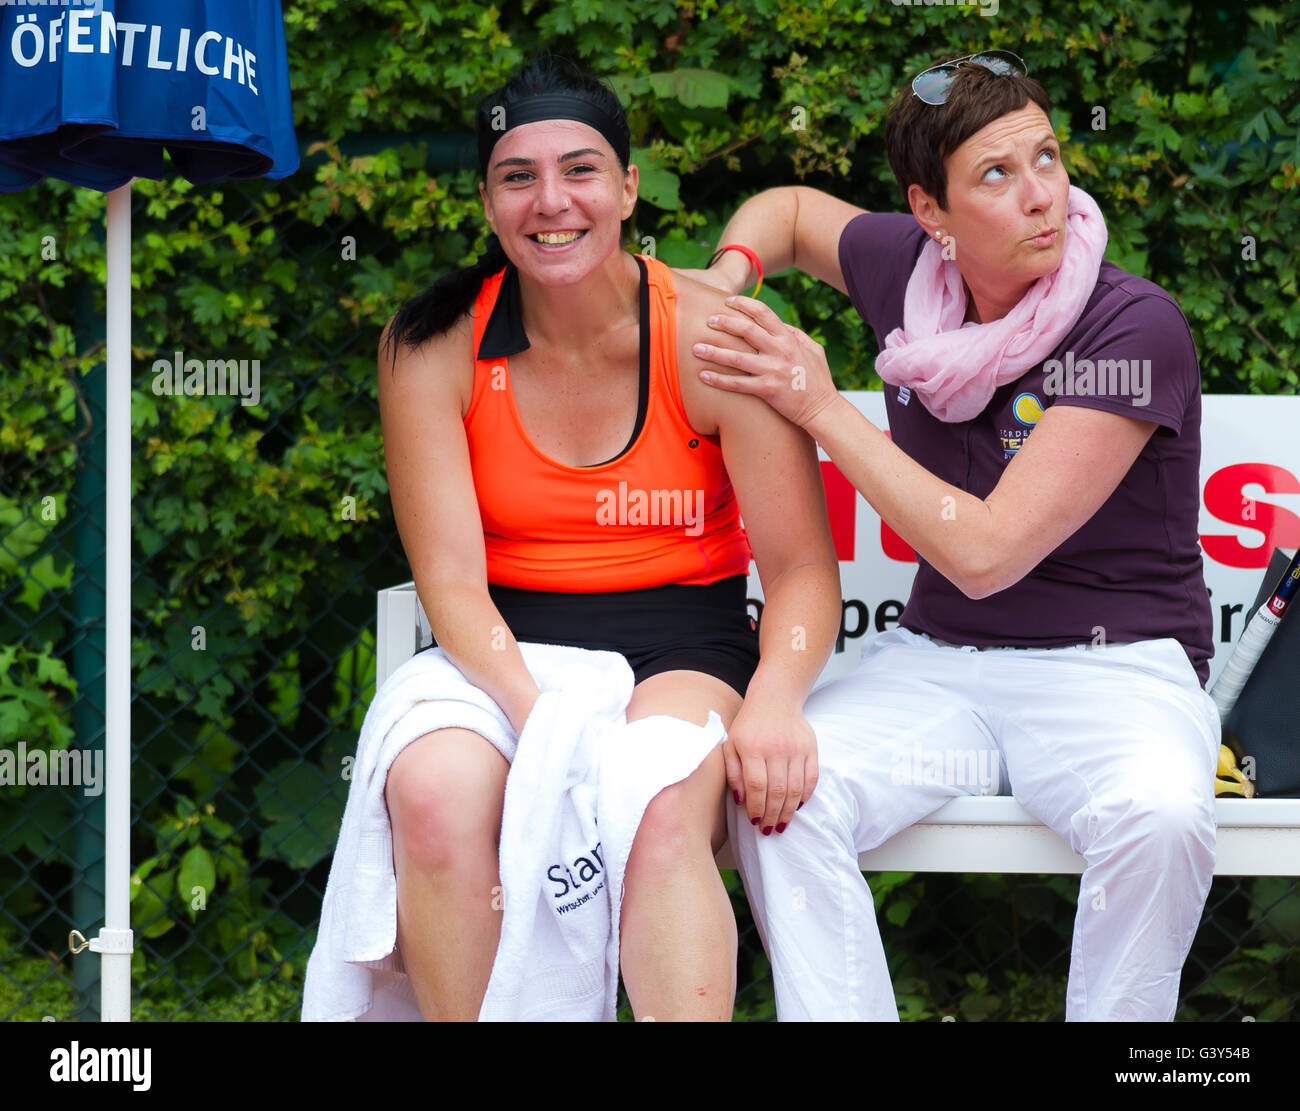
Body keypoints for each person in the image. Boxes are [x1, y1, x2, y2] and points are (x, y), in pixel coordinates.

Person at [687, 51, 1220, 1021]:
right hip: (938, 665)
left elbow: (983, 554)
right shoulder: (907, 272)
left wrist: (817, 403)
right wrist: (728, 278)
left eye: (1048, 158)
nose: (1040, 197)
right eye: (995, 175)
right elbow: (795, 215)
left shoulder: (1130, 327)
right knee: (774, 793)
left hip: (1116, 672)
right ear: (929, 213)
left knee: (1162, 815)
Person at [374, 52, 840, 1021]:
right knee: (430, 790)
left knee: (655, 796)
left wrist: (778, 699)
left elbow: (799, 568)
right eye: (518, 176)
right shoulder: (433, 342)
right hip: (500, 645)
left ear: (627, 187)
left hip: (681, 641)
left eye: (581, 169)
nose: (552, 201)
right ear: (489, 201)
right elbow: (452, 582)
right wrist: (540, 717)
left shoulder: (714, 336)